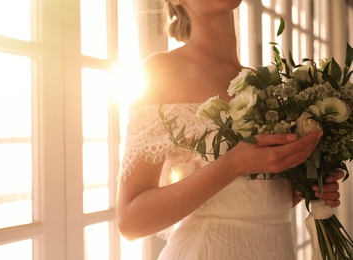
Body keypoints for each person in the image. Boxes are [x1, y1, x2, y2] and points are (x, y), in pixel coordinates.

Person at [116, 0, 344, 259]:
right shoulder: (160, 72)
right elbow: (130, 222)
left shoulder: (266, 82)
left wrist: (306, 186)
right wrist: (231, 165)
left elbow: (253, 201)